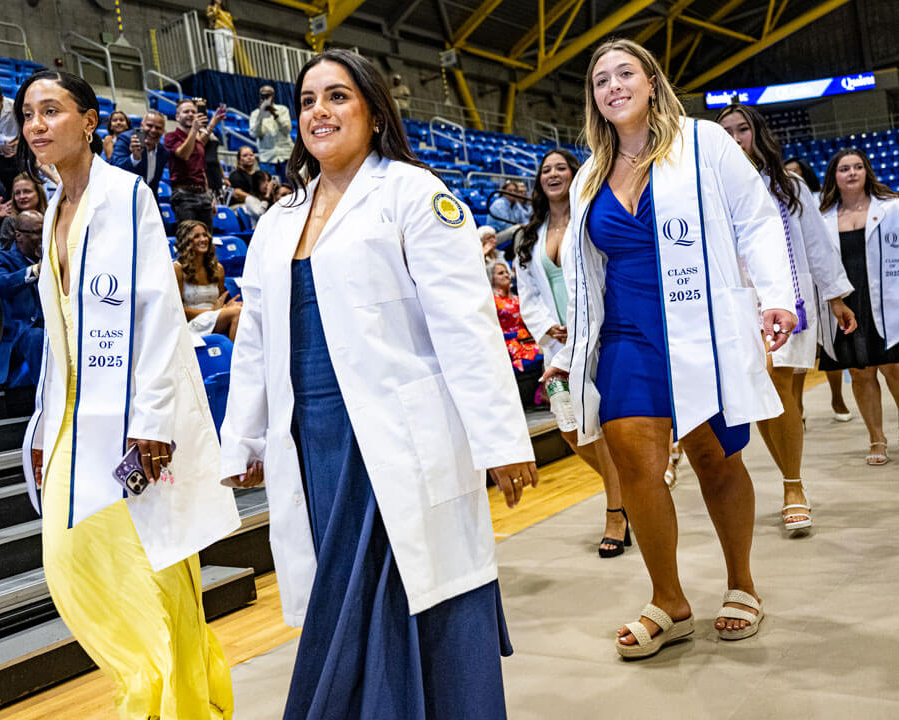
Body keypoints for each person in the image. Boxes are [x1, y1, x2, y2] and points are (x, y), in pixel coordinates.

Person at [219, 49, 536, 719]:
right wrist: (243, 438)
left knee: (411, 594)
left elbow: (466, 324)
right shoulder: (278, 220)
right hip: (313, 443)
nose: (318, 112)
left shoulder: (414, 194)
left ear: (371, 109)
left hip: (395, 438)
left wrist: (502, 439)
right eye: (307, 100)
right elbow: (255, 342)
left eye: (336, 96)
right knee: (343, 598)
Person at [541, 40, 797, 659]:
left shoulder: (703, 143)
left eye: (625, 73)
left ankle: (742, 584)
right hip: (626, 334)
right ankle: (670, 600)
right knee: (635, 466)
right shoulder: (589, 176)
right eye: (600, 80)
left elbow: (758, 219)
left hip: (701, 328)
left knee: (715, 458)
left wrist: (776, 294)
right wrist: (572, 346)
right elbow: (583, 271)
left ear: (651, 82)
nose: (612, 86)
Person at [17, 69, 238, 720]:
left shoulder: (126, 195)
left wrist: (153, 425)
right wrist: (41, 431)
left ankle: (167, 704)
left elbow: (157, 314)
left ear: (89, 122)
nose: (36, 124)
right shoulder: (55, 205)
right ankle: (164, 694)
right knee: (71, 564)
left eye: (51, 111)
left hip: (135, 423)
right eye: (29, 113)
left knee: (150, 573)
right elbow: (60, 337)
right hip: (70, 425)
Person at [716, 104, 858, 536]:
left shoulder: (788, 185)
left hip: (790, 301)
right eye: (727, 132)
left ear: (758, 134)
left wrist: (836, 296)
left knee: (784, 393)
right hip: (739, 305)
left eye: (743, 129)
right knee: (767, 398)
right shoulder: (710, 188)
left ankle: (793, 486)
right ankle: (791, 482)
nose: (736, 138)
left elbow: (816, 243)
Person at [512, 147, 629, 557]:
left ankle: (617, 511)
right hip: (557, 344)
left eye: (561, 167)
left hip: (599, 334)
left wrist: (579, 329)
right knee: (569, 428)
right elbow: (526, 293)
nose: (553, 174)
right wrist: (547, 328)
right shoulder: (529, 235)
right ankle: (629, 486)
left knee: (602, 429)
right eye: (546, 170)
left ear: (574, 175)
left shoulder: (590, 217)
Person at [819, 148, 899, 466]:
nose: (852, 172)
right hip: (848, 304)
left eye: (858, 166)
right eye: (844, 168)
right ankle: (876, 437)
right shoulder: (823, 219)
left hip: (892, 298)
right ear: (834, 176)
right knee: (860, 373)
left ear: (867, 172)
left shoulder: (895, 208)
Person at [786, 155, 854, 422]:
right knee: (797, 353)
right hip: (795, 282)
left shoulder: (821, 202)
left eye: (797, 172)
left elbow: (823, 244)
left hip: (822, 281)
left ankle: (837, 398)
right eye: (788, 173)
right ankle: (797, 409)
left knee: (830, 346)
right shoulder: (780, 198)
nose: (793, 177)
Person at [0, 209, 46, 383]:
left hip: (52, 328)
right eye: (38, 232)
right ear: (19, 235)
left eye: (45, 231)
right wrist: (36, 270)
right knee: (36, 337)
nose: (43, 237)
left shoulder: (55, 258)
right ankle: (48, 405)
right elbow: (0, 285)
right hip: (19, 337)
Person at [173, 219, 242, 339]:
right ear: (186, 241)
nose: (203, 239)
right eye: (196, 236)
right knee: (237, 312)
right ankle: (234, 357)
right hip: (190, 323)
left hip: (214, 318)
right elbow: (178, 311)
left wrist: (226, 307)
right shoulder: (177, 269)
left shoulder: (218, 269)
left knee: (242, 309)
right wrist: (213, 312)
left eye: (205, 235)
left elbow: (220, 302)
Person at [163, 99, 223, 227]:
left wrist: (208, 196)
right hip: (184, 195)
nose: (190, 114)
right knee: (189, 238)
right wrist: (195, 130)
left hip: (203, 194)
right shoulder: (171, 136)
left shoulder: (197, 139)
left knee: (206, 237)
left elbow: (201, 169)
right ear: (177, 117)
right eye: (186, 112)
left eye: (193, 112)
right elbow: (184, 154)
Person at [490, 259, 541, 371]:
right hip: (509, 344)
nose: (506, 275)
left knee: (550, 348)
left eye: (507, 272)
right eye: (500, 273)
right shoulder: (492, 301)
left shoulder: (517, 299)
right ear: (492, 279)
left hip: (528, 339)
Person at [109, 110, 168, 195]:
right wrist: (134, 158)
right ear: (141, 126)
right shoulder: (125, 139)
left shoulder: (163, 152)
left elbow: (153, 186)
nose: (153, 130)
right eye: (149, 125)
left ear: (163, 131)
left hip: (145, 200)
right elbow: (115, 169)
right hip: (123, 196)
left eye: (158, 128)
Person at [248, 85, 294, 180]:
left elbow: (287, 130)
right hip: (267, 158)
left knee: (291, 185)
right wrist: (260, 117)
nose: (266, 98)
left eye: (268, 95)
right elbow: (254, 134)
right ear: (260, 96)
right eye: (263, 95)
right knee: (270, 187)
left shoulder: (282, 110)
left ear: (273, 95)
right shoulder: (255, 114)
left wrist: (274, 114)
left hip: (286, 155)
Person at [0, 173, 48, 249]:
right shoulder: (10, 221)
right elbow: (7, 253)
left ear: (39, 193)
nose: (21, 197)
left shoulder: (50, 217)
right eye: (17, 193)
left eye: (27, 191)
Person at [228, 146, 277, 220]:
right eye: (245, 156)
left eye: (251, 155)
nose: (249, 157)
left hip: (260, 203)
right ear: (239, 160)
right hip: (242, 207)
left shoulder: (260, 175)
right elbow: (237, 194)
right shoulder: (235, 175)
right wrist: (256, 200)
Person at [206, 0, 237, 73]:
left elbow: (231, 25)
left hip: (229, 32)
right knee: (222, 53)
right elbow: (211, 16)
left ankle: (230, 73)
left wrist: (235, 36)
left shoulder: (226, 12)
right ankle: (223, 71)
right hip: (220, 30)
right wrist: (215, 7)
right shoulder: (210, 7)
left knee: (229, 54)